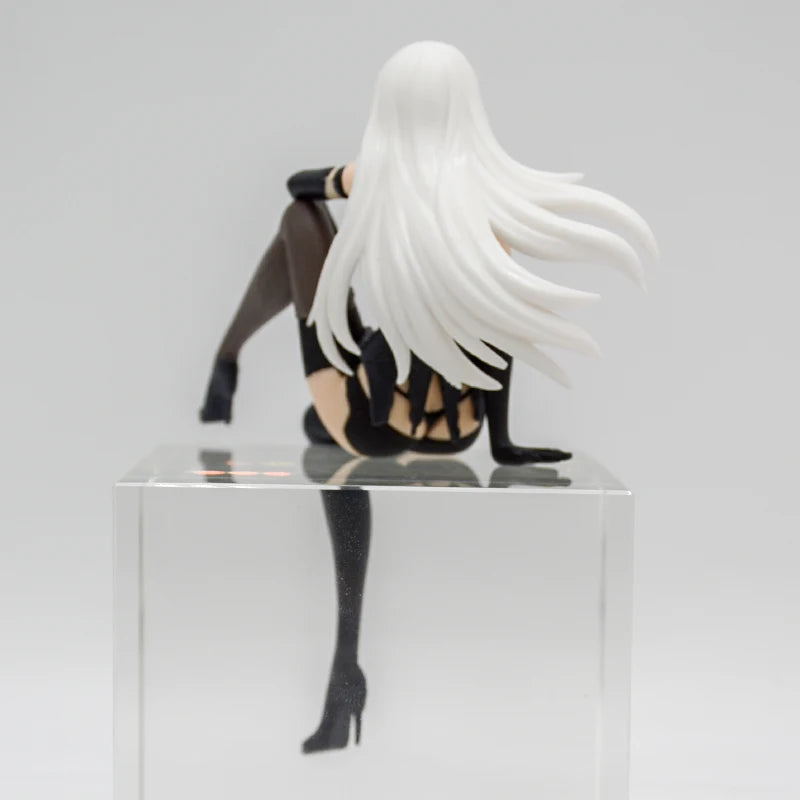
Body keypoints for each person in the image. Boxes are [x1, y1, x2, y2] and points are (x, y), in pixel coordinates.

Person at [200, 41, 656, 464]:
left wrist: (359, 173)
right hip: (459, 430)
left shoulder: (378, 175)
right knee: (323, 421)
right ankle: (283, 401)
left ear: (390, 108)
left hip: (371, 421)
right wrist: (501, 443)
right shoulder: (493, 195)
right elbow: (500, 333)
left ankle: (228, 356)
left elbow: (298, 186)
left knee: (299, 218)